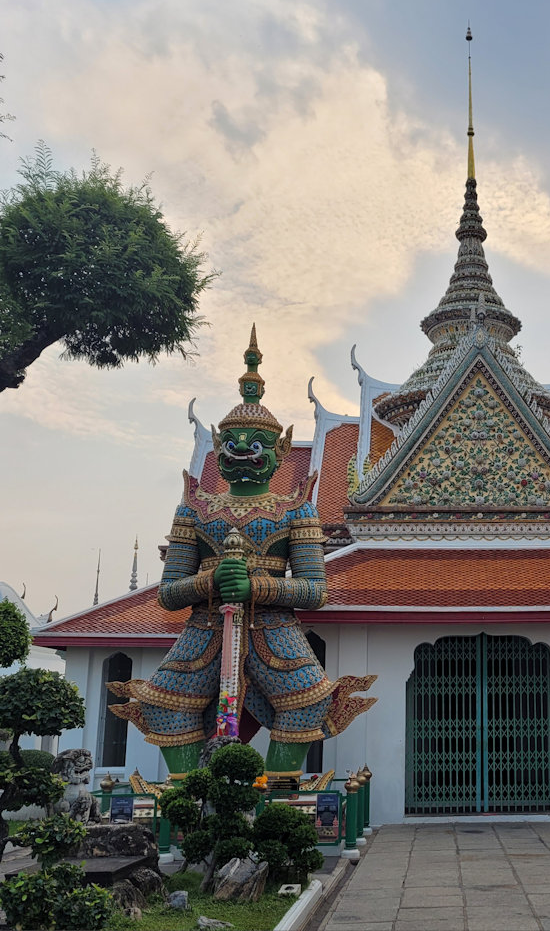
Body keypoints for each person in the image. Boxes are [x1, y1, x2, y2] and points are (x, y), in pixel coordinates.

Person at [109, 326, 375, 775]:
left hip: (275, 633)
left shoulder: (296, 511)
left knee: (309, 706)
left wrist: (257, 586)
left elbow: (314, 591)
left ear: (281, 452)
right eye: (230, 445)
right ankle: (189, 801)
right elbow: (169, 593)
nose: (241, 454)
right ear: (217, 447)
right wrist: (210, 581)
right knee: (164, 708)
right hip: (205, 629)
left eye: (256, 446)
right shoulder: (195, 509)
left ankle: (277, 798)